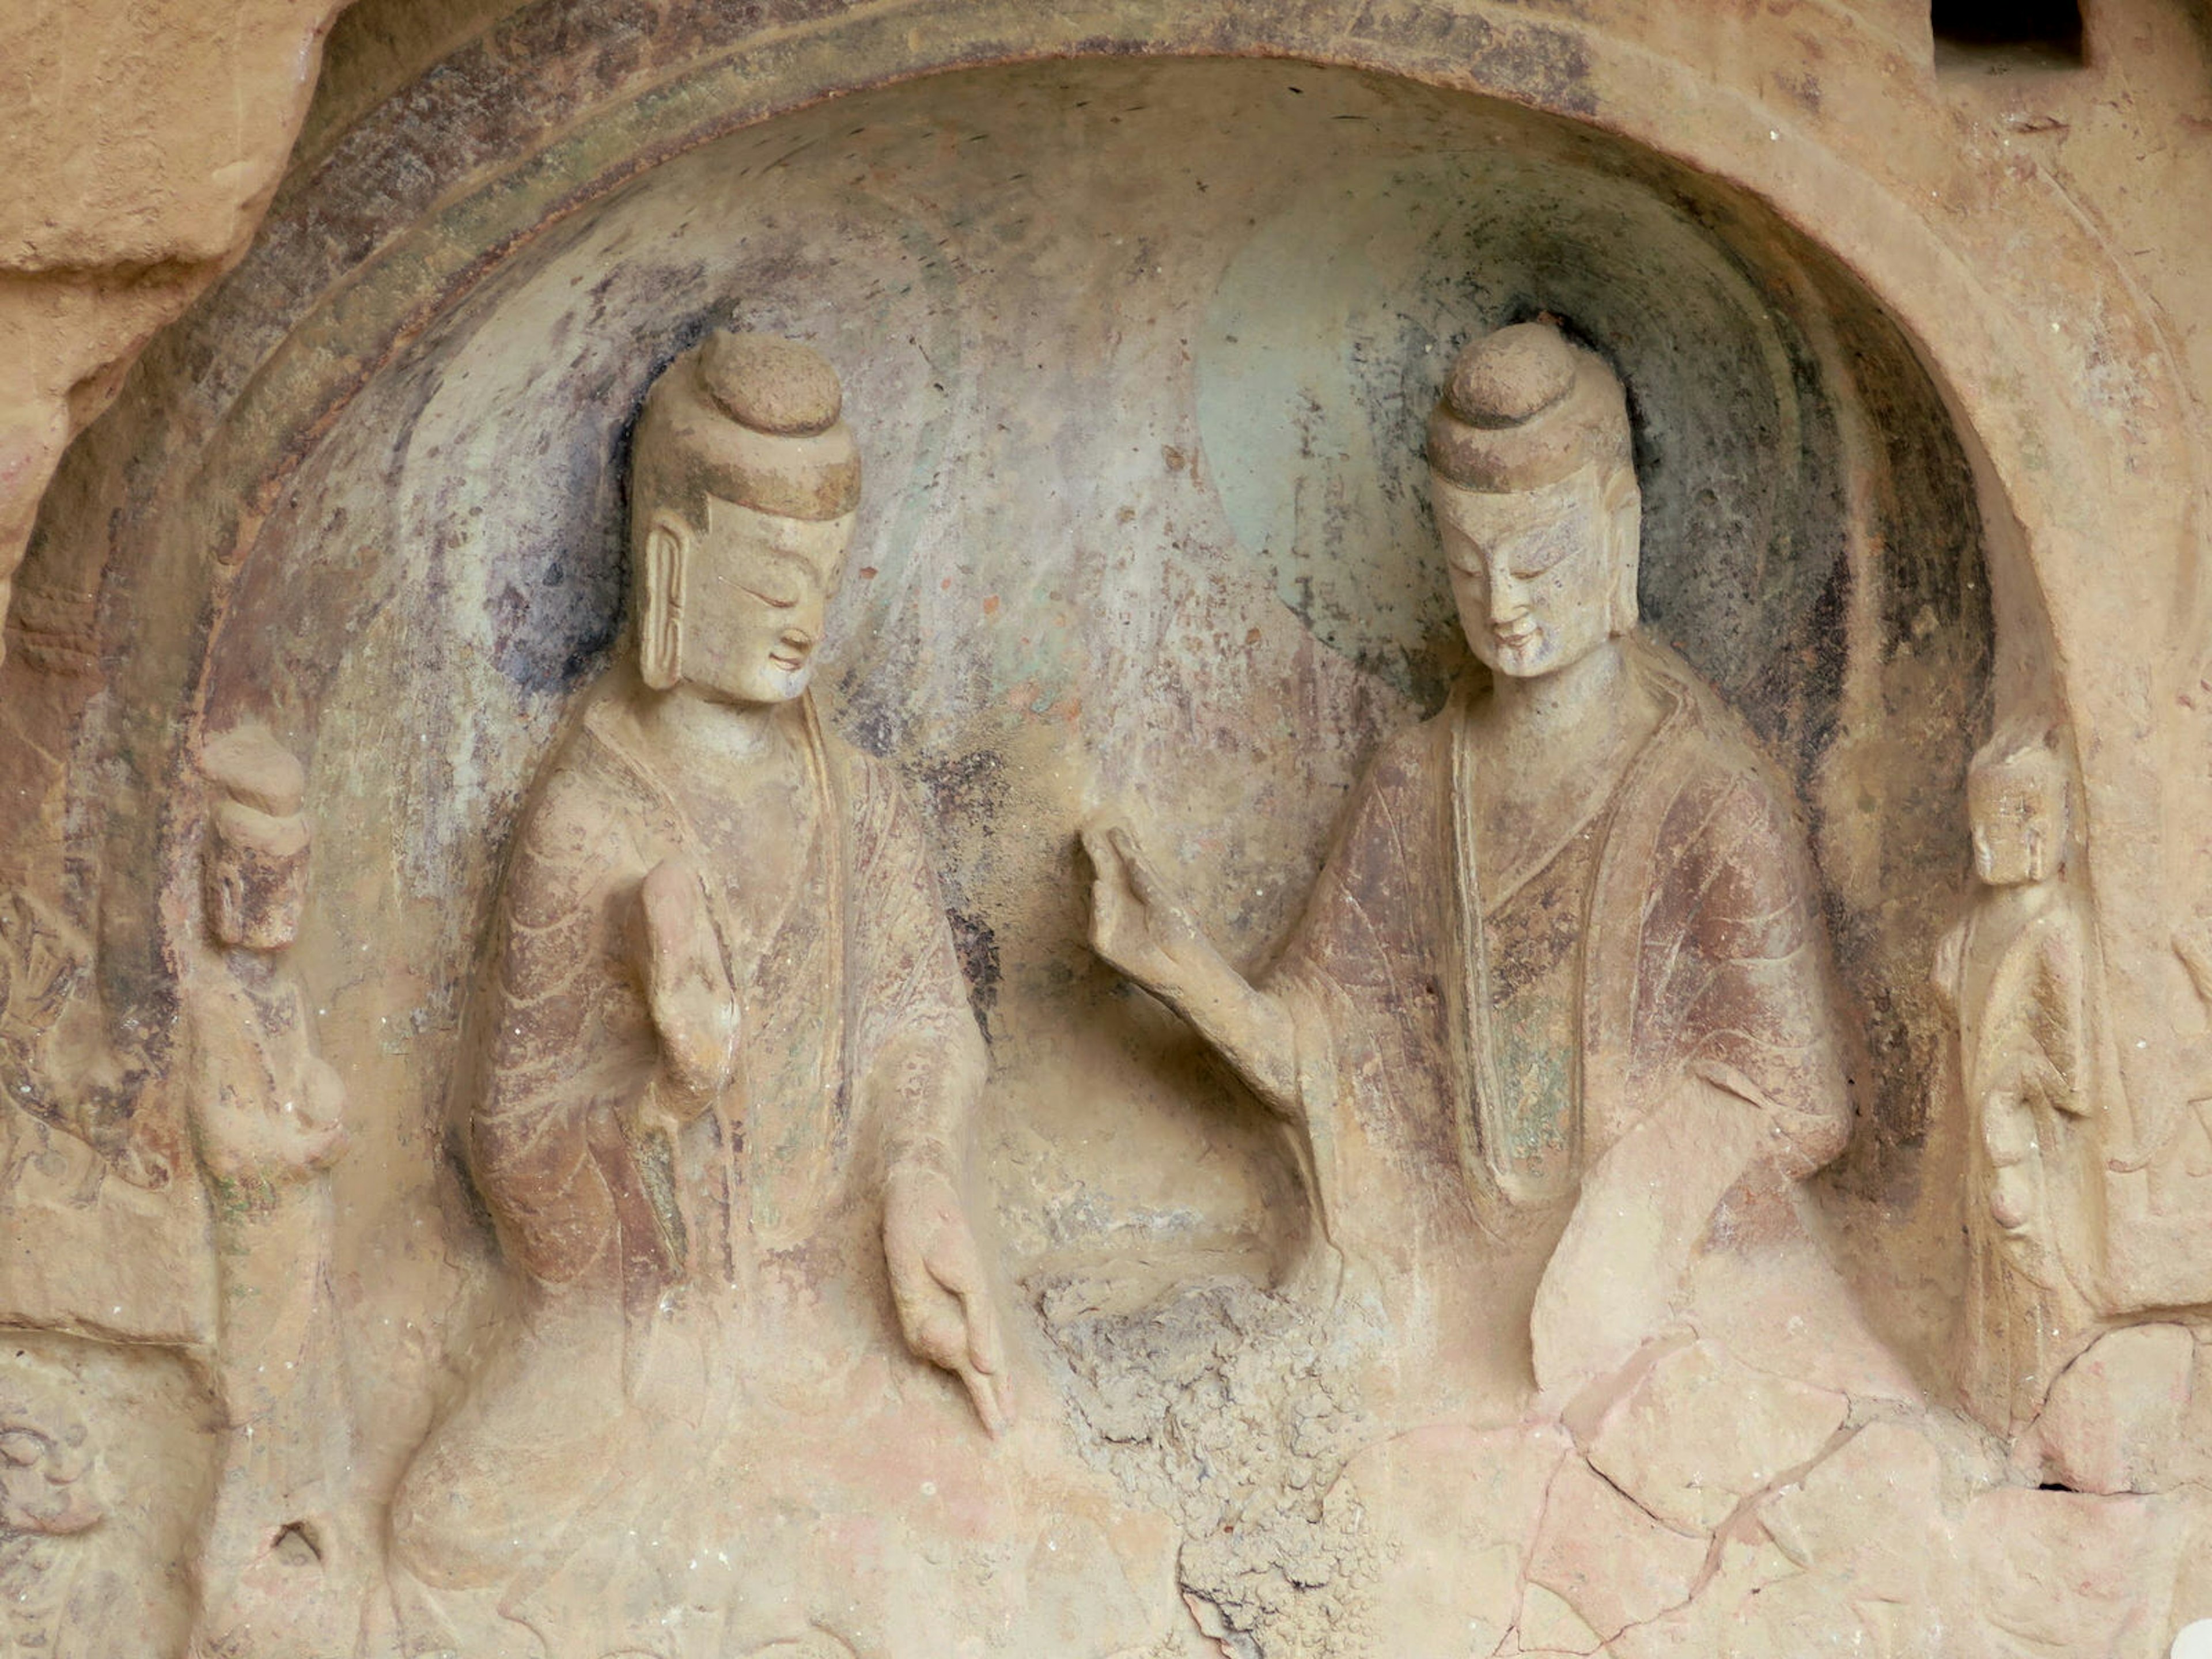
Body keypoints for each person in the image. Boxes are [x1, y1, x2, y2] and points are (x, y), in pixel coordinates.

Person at [391, 332, 1173, 1659]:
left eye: (822, 577)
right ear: (674, 565)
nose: (802, 619)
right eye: (767, 580)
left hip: (837, 1316)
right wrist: (667, 1087)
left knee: (1023, 1526)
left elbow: (926, 1023)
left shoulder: (853, 798)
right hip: (646, 1340)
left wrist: (920, 1171)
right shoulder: (589, 821)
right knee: (442, 1536)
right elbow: (508, 1139)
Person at [1083, 320, 1855, 1414]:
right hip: (1442, 1283)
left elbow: (1802, 1097)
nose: (1503, 603)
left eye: (1539, 562)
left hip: (1657, 1289)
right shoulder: (1415, 784)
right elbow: (1324, 1052)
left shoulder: (1704, 793)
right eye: (1469, 567)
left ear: (1618, 531)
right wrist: (1182, 970)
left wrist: (1633, 1219)